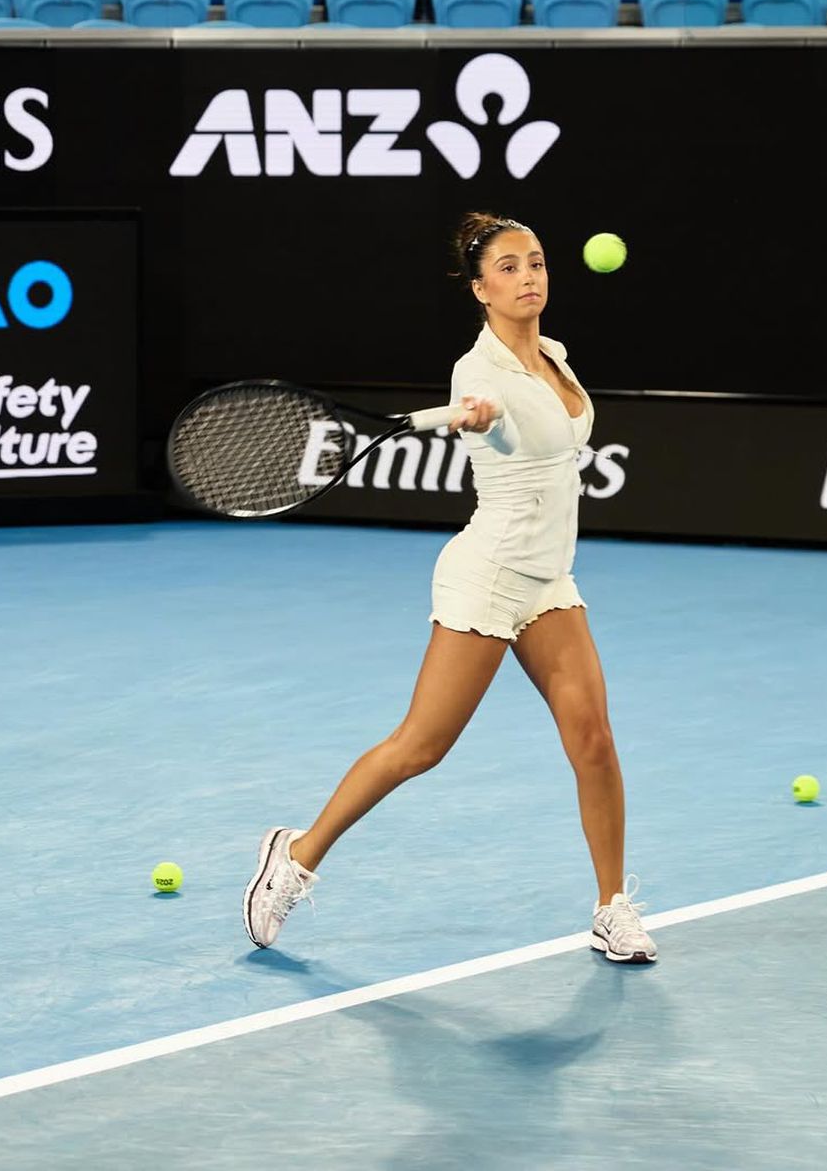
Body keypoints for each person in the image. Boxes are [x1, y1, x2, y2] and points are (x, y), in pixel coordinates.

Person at [243, 211, 656, 964]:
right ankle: (296, 852)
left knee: (593, 739)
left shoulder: (555, 356)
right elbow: (484, 417)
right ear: (480, 288)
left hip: (548, 578)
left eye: (535, 262)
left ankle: (611, 907)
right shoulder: (479, 373)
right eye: (508, 267)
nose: (528, 276)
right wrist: (480, 417)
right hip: (491, 576)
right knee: (420, 746)